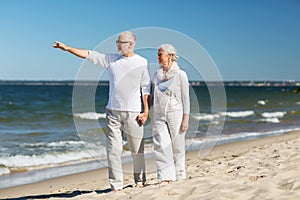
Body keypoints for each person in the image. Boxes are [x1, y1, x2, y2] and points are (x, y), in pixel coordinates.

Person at [53, 31, 150, 191]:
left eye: (121, 42)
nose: (118, 45)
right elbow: (89, 54)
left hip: (133, 112)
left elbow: (145, 88)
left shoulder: (142, 62)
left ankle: (139, 181)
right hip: (112, 111)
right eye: (117, 42)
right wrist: (68, 48)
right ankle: (116, 185)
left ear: (131, 44)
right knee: (113, 149)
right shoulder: (111, 60)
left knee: (137, 149)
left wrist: (145, 112)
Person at [151, 44, 190, 185]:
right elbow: (153, 95)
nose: (158, 57)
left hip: (176, 112)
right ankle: (165, 176)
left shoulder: (180, 74)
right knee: (161, 144)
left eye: (160, 54)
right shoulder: (156, 75)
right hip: (158, 112)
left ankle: (179, 175)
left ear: (169, 55)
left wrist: (186, 118)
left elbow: (186, 98)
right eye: (158, 54)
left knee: (177, 144)